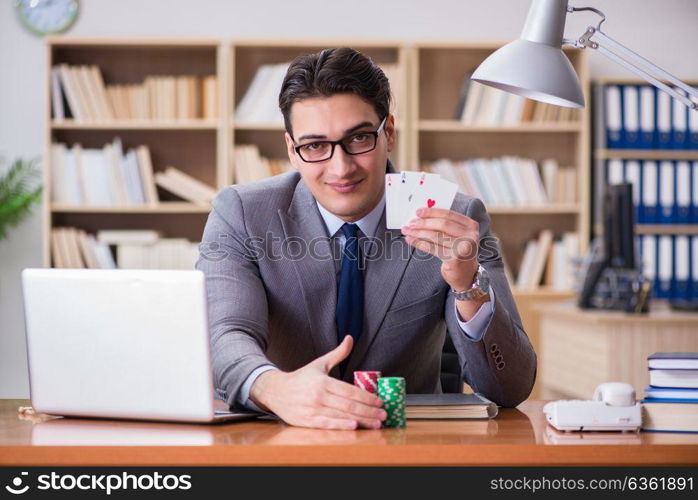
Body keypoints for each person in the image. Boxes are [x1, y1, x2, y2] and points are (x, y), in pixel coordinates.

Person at [196, 47, 536, 430]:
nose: (340, 168)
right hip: (278, 439)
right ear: (292, 151)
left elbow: (511, 389)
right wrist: (275, 388)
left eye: (358, 139)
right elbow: (224, 335)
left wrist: (468, 284)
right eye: (314, 146)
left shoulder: (455, 219)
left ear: (388, 132)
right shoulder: (242, 214)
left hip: (404, 446)